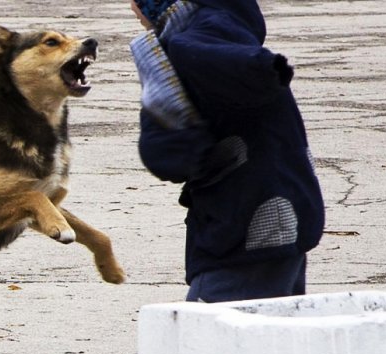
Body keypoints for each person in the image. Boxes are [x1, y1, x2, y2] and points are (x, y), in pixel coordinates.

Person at [128, 0, 325, 302]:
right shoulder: (226, 23)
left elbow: (170, 158)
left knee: (205, 340)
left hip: (247, 230)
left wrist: (261, 69)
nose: (132, 8)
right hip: (287, 210)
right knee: (277, 338)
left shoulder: (187, 45)